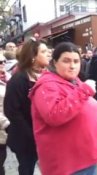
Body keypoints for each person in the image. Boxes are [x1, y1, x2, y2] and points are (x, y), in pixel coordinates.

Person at [28, 42, 97, 175]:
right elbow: (54, 115)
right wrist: (84, 91)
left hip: (82, 157)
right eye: (66, 61)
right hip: (69, 164)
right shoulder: (47, 86)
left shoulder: (72, 81)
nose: (72, 66)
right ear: (55, 62)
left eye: (76, 61)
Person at [4, 38, 51, 175]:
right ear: (32, 57)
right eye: (43, 51)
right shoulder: (19, 79)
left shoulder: (48, 75)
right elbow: (12, 111)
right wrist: (32, 135)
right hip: (26, 138)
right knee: (27, 168)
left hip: (45, 136)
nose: (48, 53)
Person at [0, 53, 10, 175]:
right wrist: (6, 124)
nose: (2, 64)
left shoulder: (9, 78)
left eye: (4, 61)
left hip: (6, 130)